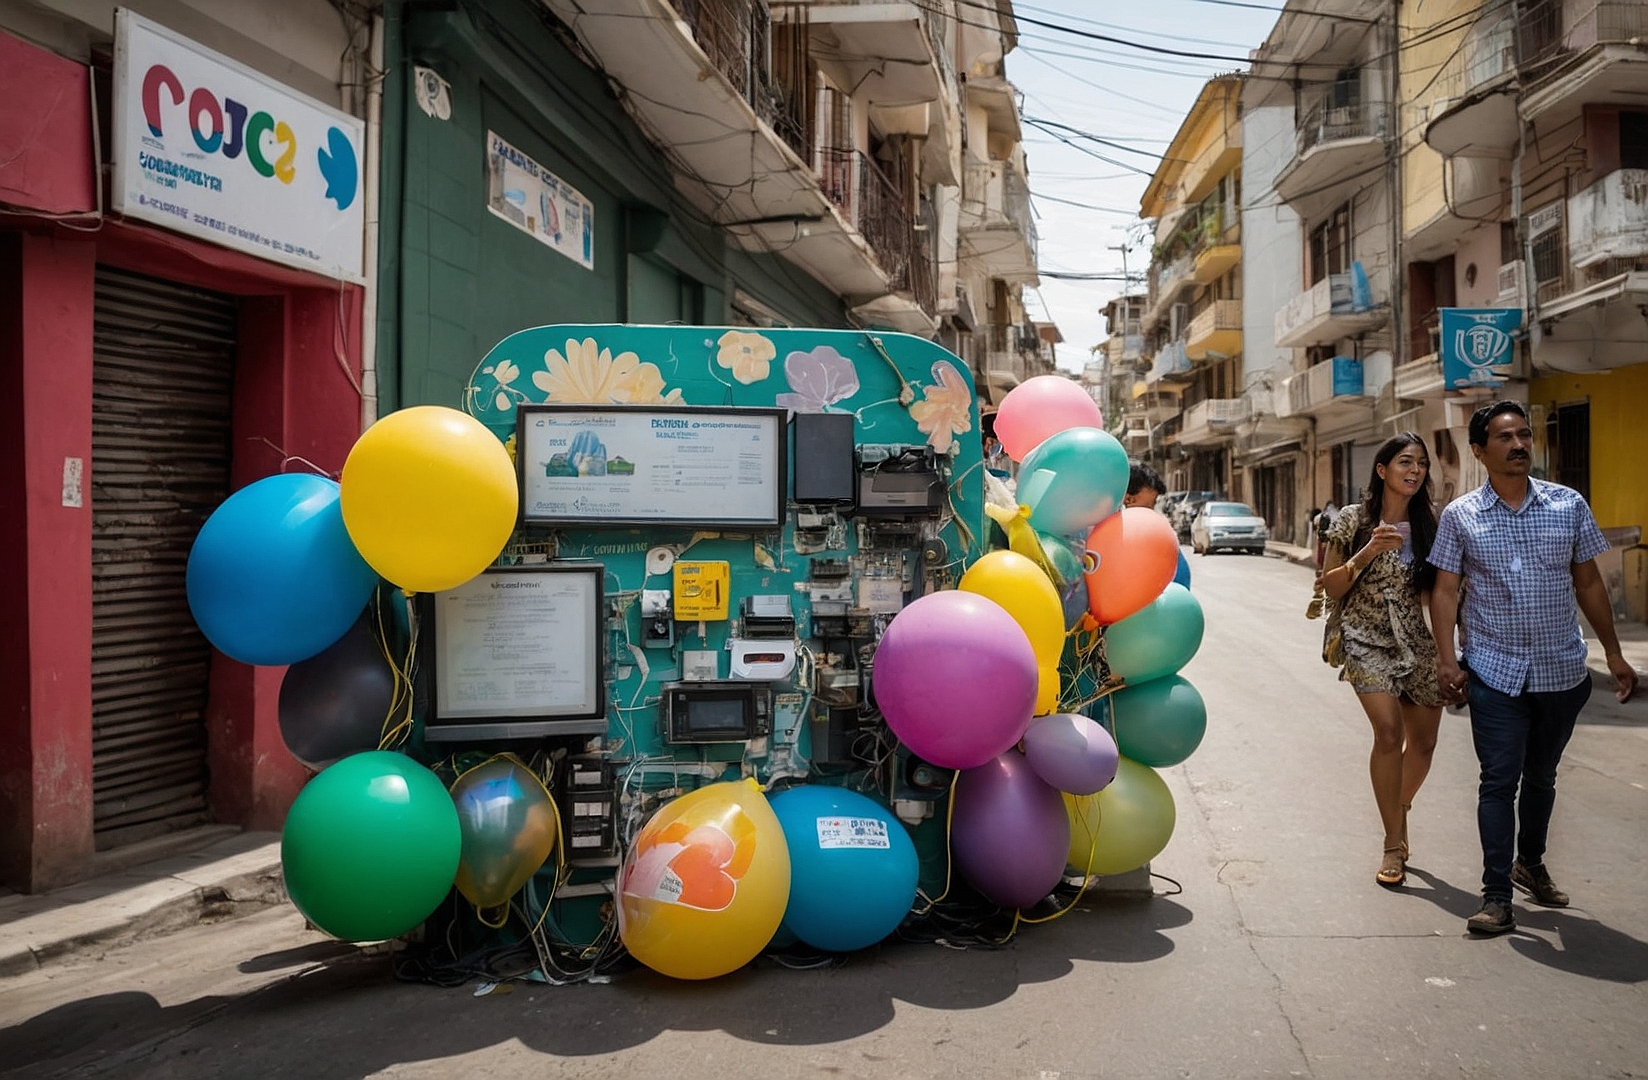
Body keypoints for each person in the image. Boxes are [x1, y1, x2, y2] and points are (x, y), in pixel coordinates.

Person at [1428, 400, 1638, 935]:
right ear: (1480, 450)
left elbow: (1588, 582)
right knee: (1498, 781)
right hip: (1494, 670)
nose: (1519, 444)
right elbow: (1446, 590)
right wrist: (1447, 658)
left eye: (1524, 435)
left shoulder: (1567, 505)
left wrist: (1613, 653)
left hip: (1561, 670)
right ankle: (1497, 895)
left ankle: (1531, 863)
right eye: (1505, 438)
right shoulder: (1461, 516)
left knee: (1541, 777)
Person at [1319, 433, 1443, 888]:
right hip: (1364, 638)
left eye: (1422, 465)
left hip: (1418, 641)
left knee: (1424, 746)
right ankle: (1393, 843)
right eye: (1405, 462)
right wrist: (1369, 549)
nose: (1414, 470)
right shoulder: (1352, 521)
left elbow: (1439, 595)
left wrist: (1452, 652)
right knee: (1389, 733)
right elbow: (1330, 587)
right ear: (1382, 470)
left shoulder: (1432, 524)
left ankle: (1400, 805)